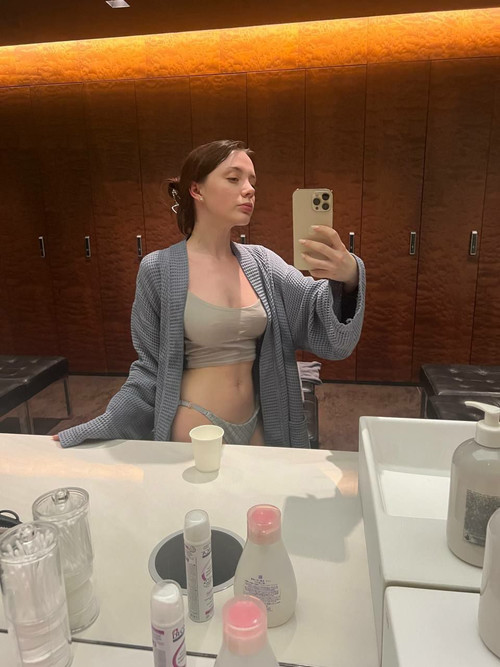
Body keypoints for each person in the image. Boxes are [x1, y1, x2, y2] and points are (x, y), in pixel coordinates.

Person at [54, 139, 365, 449]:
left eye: (252, 181)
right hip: (196, 422)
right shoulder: (159, 269)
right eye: (234, 178)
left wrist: (349, 276)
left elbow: (314, 308)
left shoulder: (262, 263)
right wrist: (100, 425)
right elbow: (149, 368)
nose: (249, 189)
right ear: (196, 189)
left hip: (259, 419)